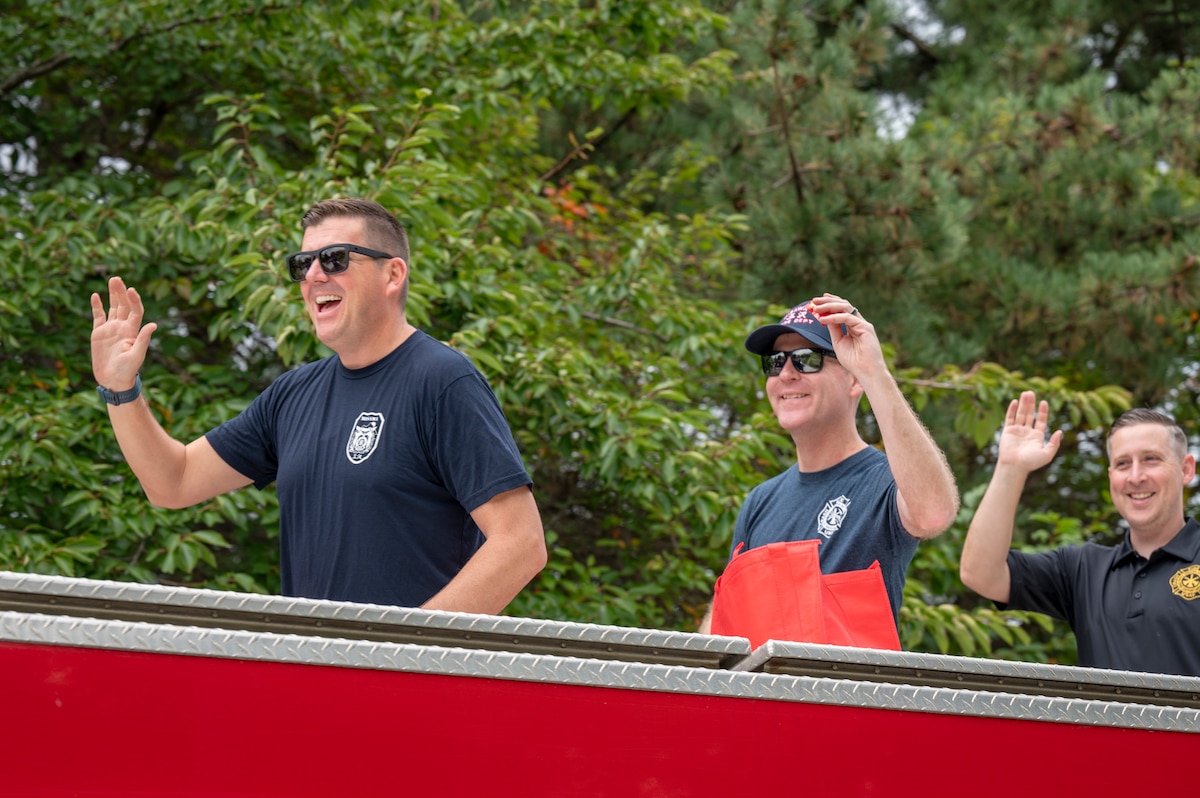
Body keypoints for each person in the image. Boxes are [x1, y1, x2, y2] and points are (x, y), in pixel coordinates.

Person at [90, 197, 547, 613]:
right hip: (318, 676)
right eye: (302, 263)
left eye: (335, 259)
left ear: (393, 274)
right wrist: (120, 389)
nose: (313, 275)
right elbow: (174, 482)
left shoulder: (442, 380)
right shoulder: (294, 394)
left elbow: (520, 543)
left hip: (410, 689)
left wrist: (405, 651)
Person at [699, 295, 960, 633]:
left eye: (807, 360)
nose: (787, 373)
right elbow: (725, 616)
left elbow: (934, 514)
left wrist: (873, 372)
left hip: (846, 687)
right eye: (775, 362)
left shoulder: (885, 481)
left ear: (854, 381)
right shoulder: (760, 502)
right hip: (761, 687)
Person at [960, 391, 1200, 677]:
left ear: (1186, 470)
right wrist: (1011, 468)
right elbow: (980, 573)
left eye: (1151, 459)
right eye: (1123, 463)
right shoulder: (1083, 570)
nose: (1136, 477)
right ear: (1111, 476)